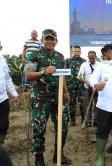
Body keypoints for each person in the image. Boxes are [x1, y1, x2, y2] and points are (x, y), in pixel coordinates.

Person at [25, 29, 71, 166]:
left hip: (58, 98)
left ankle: (59, 155)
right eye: (47, 39)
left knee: (63, 127)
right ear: (42, 40)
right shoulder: (35, 55)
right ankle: (39, 158)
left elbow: (63, 77)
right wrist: (44, 72)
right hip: (41, 98)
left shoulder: (60, 57)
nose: (50, 41)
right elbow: (28, 75)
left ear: (56, 41)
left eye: (52, 39)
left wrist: (66, 92)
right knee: (39, 128)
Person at [0, 42, 20, 146]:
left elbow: (7, 80)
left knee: (3, 125)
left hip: (3, 98)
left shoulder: (3, 61)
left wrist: (14, 94)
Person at [66, 45, 86, 126]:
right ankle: (73, 120)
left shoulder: (84, 61)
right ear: (72, 52)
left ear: (80, 52)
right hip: (71, 85)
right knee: (71, 103)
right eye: (75, 51)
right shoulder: (67, 61)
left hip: (81, 85)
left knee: (82, 103)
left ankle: (83, 120)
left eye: (78, 51)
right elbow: (64, 72)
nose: (76, 53)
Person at [78, 51, 98, 126]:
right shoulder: (84, 65)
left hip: (96, 88)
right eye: (90, 58)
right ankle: (88, 121)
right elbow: (80, 76)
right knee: (87, 105)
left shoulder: (99, 64)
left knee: (97, 105)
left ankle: (96, 120)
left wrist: (95, 85)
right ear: (88, 57)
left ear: (95, 57)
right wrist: (88, 83)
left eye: (93, 58)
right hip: (87, 88)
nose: (92, 59)